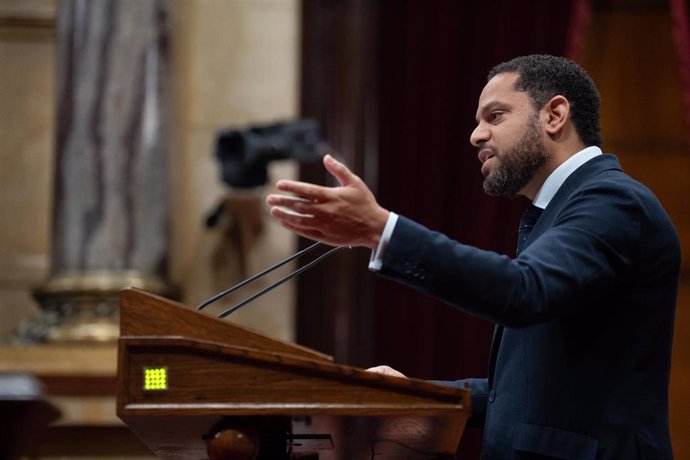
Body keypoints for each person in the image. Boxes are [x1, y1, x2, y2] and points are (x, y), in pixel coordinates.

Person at [266, 55, 680, 460]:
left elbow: (523, 291)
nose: (475, 136)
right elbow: (521, 391)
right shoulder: (561, 210)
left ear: (554, 115)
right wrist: (412, 395)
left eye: (495, 116)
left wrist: (382, 230)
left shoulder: (613, 200)